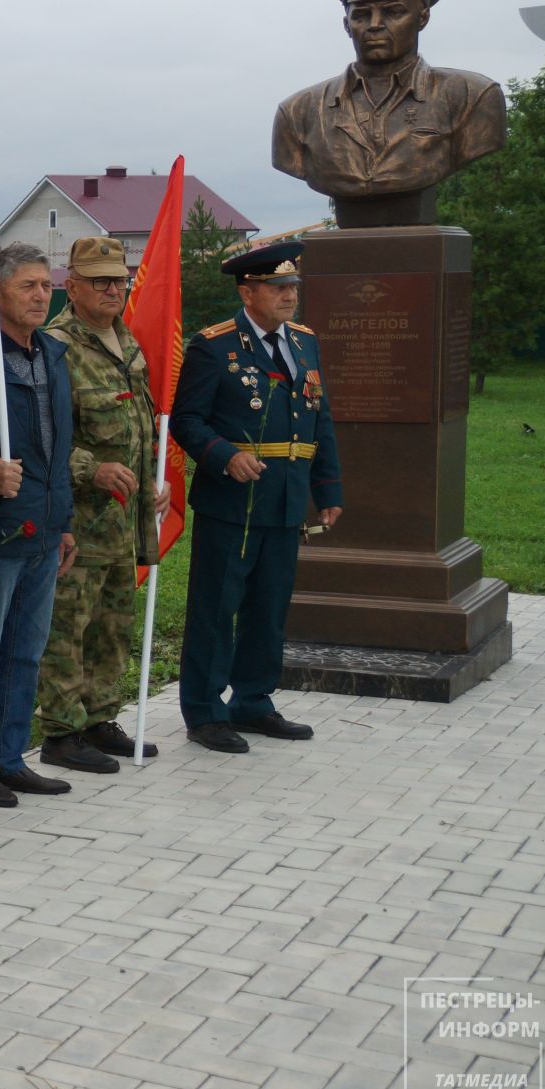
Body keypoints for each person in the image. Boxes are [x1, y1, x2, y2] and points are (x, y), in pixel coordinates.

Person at [172, 242, 342, 752]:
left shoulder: (304, 342)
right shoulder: (214, 345)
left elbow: (319, 416)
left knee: (269, 606)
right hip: (233, 501)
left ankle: (254, 700)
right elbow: (186, 419)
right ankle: (204, 710)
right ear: (248, 292)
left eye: (293, 287)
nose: (290, 296)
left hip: (285, 498)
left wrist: (327, 487)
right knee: (217, 606)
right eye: (278, 287)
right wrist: (223, 455)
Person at [0, 243, 77, 808]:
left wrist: (63, 520)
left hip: (44, 530)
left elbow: (61, 444)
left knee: (27, 650)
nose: (40, 296)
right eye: (28, 285)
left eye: (46, 286)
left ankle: (9, 756)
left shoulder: (52, 353)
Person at [35, 237, 166, 775]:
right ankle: (62, 731)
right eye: (100, 281)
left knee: (113, 622)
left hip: (124, 519)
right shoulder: (57, 347)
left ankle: (99, 717)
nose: (114, 289)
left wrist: (156, 477)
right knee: (70, 624)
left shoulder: (124, 340)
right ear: (73, 286)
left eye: (119, 280)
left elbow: (139, 420)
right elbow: (42, 435)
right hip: (81, 519)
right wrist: (93, 468)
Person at [272, 0, 505, 223]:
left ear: (422, 18)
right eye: (361, 15)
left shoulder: (472, 97)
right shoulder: (298, 113)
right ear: (346, 24)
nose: (375, 25)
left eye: (393, 12)